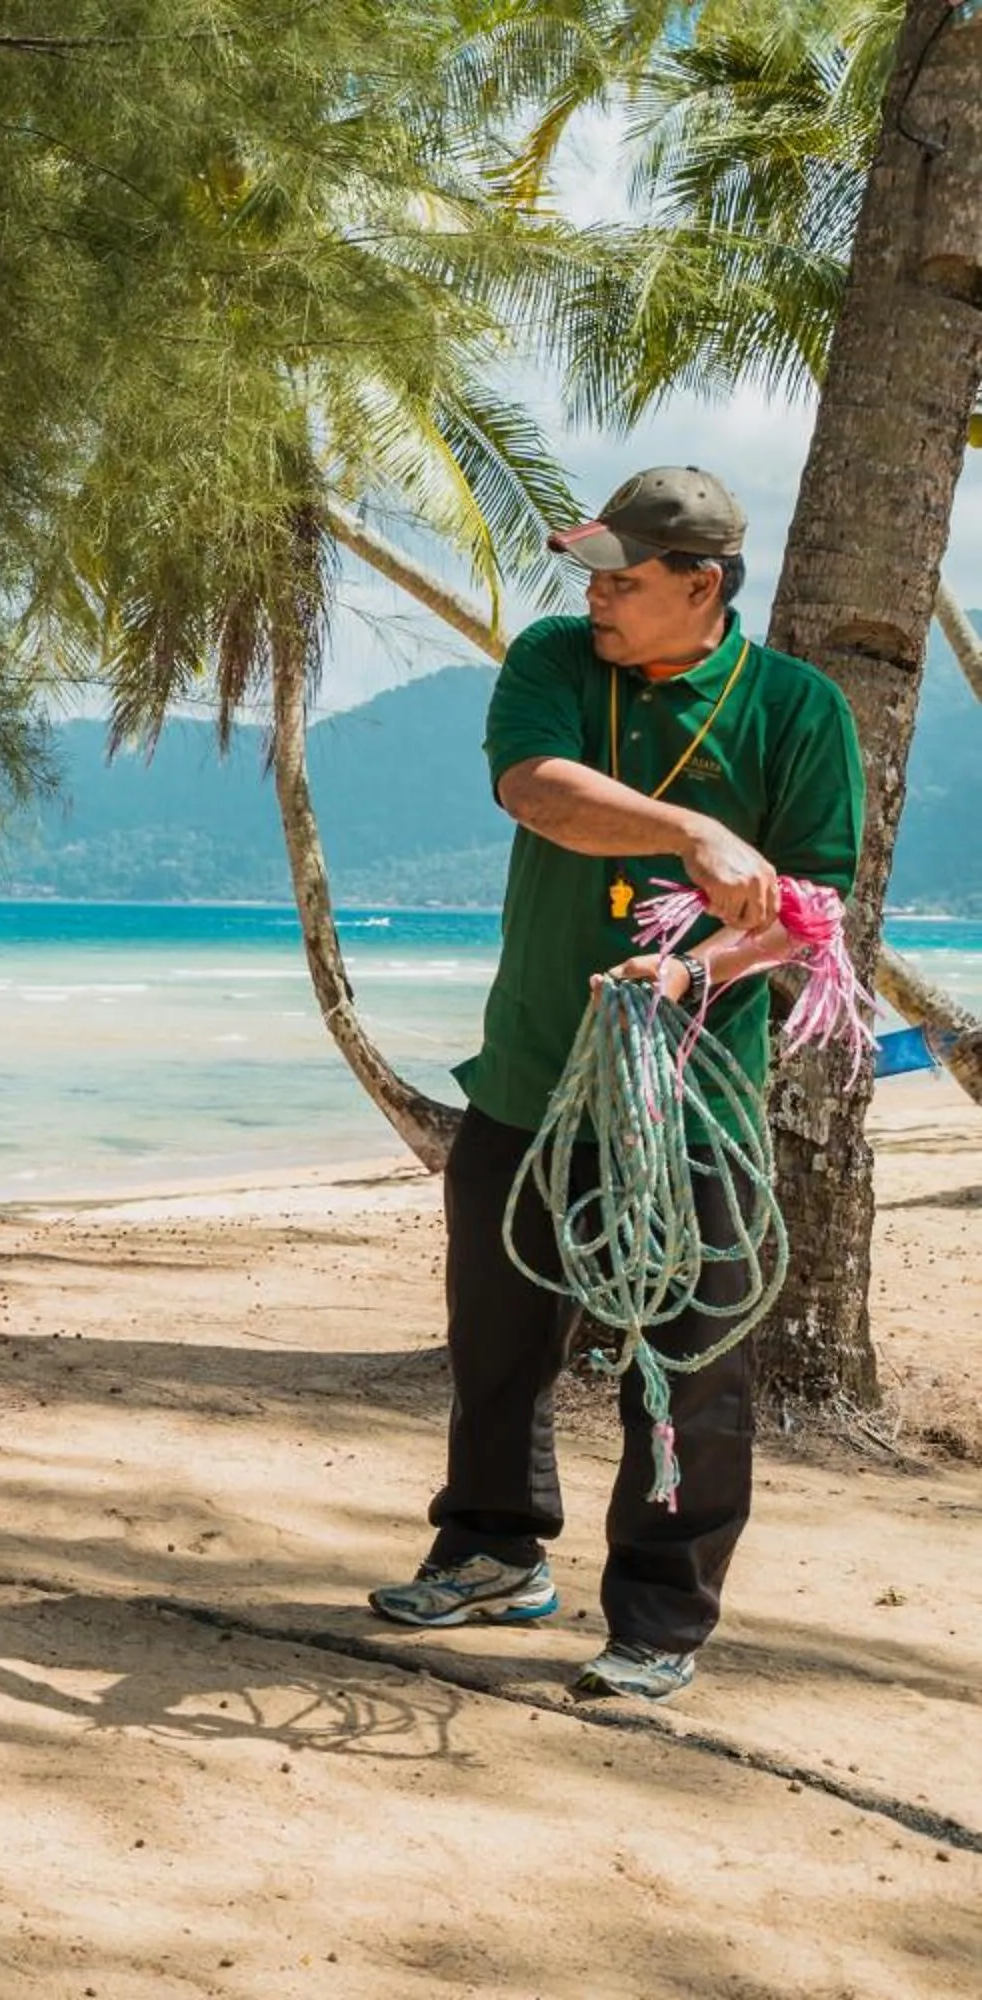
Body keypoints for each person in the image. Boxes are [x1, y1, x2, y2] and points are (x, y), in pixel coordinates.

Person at [367, 467, 863, 1703]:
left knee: (690, 1365)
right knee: (496, 1336)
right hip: (534, 1067)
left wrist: (697, 968)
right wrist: (690, 831)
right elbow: (536, 790)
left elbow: (812, 909)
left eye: (623, 578)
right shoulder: (554, 660)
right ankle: (490, 1548)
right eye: (591, 570)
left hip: (689, 1097)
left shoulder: (796, 709)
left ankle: (658, 1616)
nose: (595, 594)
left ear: (703, 586)